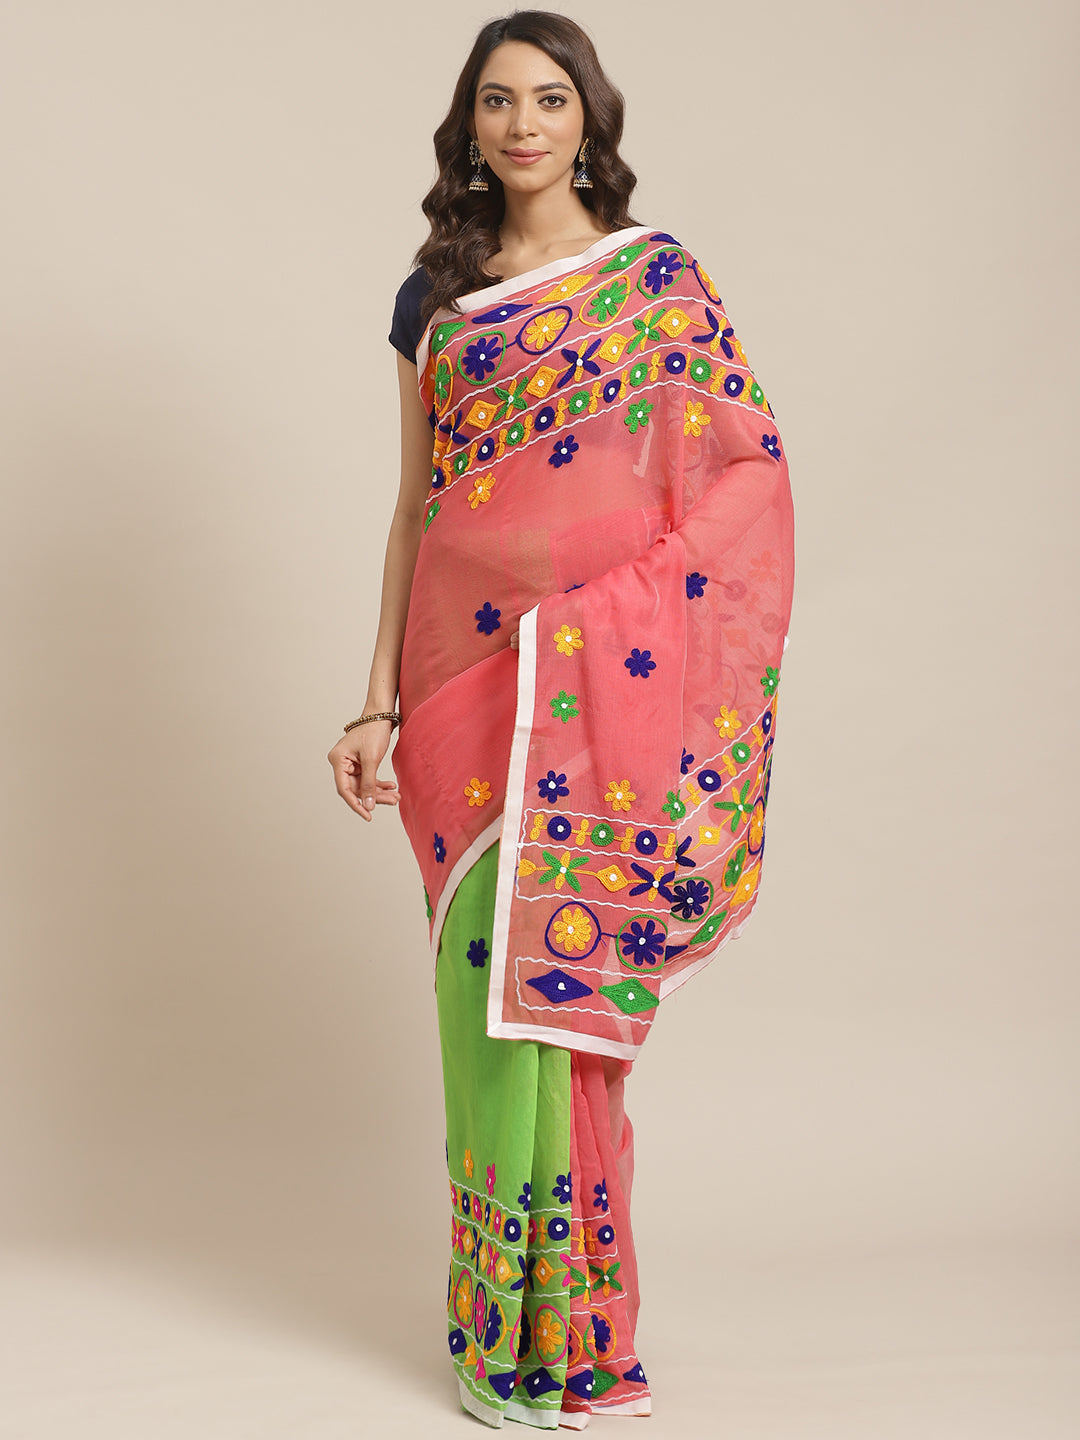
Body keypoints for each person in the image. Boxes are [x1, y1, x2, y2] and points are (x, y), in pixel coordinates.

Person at [327, 10, 795, 1428]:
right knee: (482, 1000)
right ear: (467, 127)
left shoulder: (656, 286)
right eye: (496, 101)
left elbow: (749, 475)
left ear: (589, 116)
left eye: (547, 98)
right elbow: (415, 507)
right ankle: (501, 1338)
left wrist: (602, 619)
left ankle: (579, 1336)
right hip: (461, 694)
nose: (522, 124)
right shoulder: (434, 299)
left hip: (597, 690)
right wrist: (376, 699)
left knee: (563, 997)